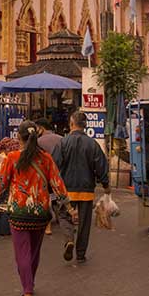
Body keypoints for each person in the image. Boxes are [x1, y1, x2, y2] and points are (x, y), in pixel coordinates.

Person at [0, 122, 66, 296]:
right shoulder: (46, 159)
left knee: (22, 252)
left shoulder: (12, 158)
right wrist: (68, 204)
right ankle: (29, 283)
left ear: (18, 137)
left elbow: (2, 183)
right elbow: (57, 183)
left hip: (19, 212)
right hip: (40, 212)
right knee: (34, 251)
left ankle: (28, 292)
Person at [52, 112, 109, 264]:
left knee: (63, 216)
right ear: (85, 126)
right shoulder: (92, 144)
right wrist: (106, 185)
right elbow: (101, 166)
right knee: (84, 223)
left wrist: (51, 186)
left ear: (71, 124)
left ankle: (69, 239)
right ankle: (81, 254)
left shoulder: (63, 143)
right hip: (86, 191)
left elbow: (54, 166)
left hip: (67, 191)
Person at [35, 118, 63, 235]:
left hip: (45, 174)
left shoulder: (39, 141)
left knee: (47, 197)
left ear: (41, 128)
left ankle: (48, 226)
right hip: (61, 174)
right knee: (59, 196)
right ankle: (64, 219)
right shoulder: (62, 139)